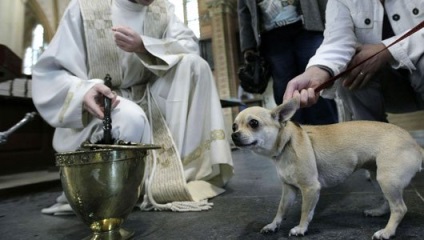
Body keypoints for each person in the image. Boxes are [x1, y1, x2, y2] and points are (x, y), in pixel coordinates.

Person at [32, 0, 234, 214]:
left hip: (148, 94)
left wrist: (144, 46)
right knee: (131, 118)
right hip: (102, 101)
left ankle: (182, 174)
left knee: (196, 66)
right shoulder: (85, 8)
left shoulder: (161, 9)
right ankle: (122, 190)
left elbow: (189, 47)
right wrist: (83, 91)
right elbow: (51, 72)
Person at [283, 0, 424, 122]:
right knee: (353, 69)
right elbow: (337, 42)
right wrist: (315, 72)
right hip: (393, 92)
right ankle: (373, 143)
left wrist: (387, 50)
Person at [237, 0, 338, 125]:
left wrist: (332, 23)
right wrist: (248, 46)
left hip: (309, 25)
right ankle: (294, 138)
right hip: (271, 36)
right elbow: (244, 9)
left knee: (317, 84)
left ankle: (326, 136)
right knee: (284, 93)